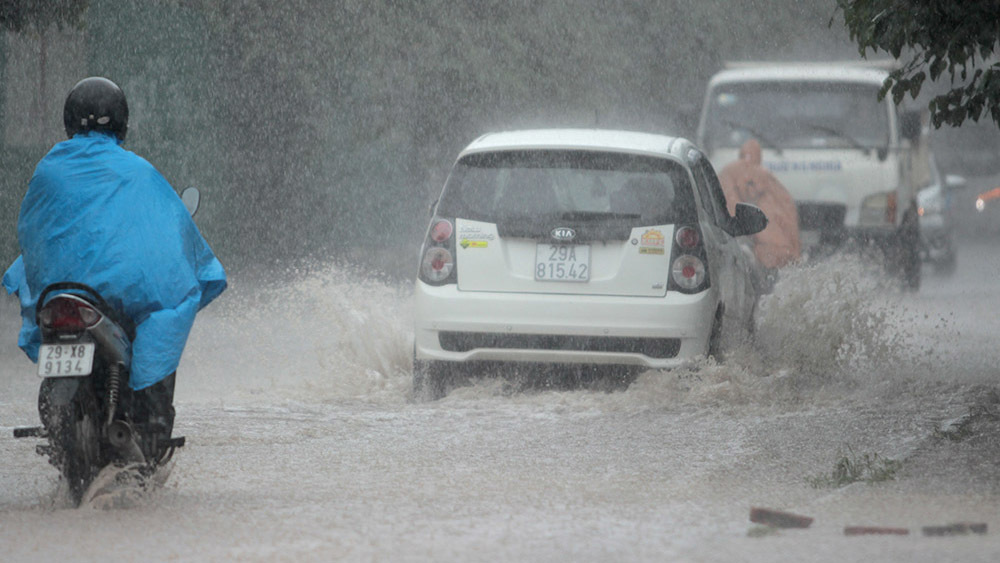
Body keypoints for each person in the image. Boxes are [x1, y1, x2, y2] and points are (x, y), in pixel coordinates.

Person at [1, 77, 227, 455]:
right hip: (113, 301)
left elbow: (35, 231)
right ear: (121, 120)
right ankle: (151, 429)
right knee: (166, 313)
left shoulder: (48, 169)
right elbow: (168, 233)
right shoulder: (138, 172)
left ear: (69, 120)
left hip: (59, 294)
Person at [717, 139, 801, 285]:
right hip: (777, 249)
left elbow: (731, 206)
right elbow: (788, 211)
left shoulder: (728, 173)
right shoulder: (767, 177)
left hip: (759, 244)